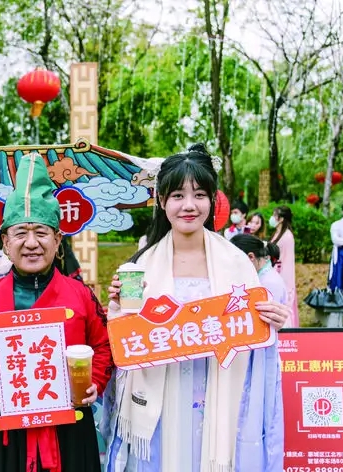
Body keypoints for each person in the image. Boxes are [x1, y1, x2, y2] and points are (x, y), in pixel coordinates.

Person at [102, 144, 287, 471]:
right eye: (178, 195)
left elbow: (253, 335)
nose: (189, 205)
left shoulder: (236, 263)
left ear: (212, 200)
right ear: (162, 201)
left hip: (216, 387)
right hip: (161, 394)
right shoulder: (141, 265)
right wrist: (117, 308)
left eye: (199, 194)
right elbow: (126, 340)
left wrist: (271, 321)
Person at [0, 152, 113, 472]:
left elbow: (104, 346)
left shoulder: (81, 295)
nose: (31, 243)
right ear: (5, 242)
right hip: (8, 431)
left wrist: (94, 382)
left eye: (42, 232)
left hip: (70, 429)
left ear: (58, 240)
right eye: (20, 233)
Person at [231, 234, 291, 327]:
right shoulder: (262, 276)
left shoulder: (269, 283)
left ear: (251, 257)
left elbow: (265, 323)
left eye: (235, 262)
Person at [269, 205, 299, 327]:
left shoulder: (287, 236)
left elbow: (287, 262)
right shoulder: (277, 233)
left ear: (281, 219)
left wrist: (285, 283)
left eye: (274, 215)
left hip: (281, 274)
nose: (272, 218)